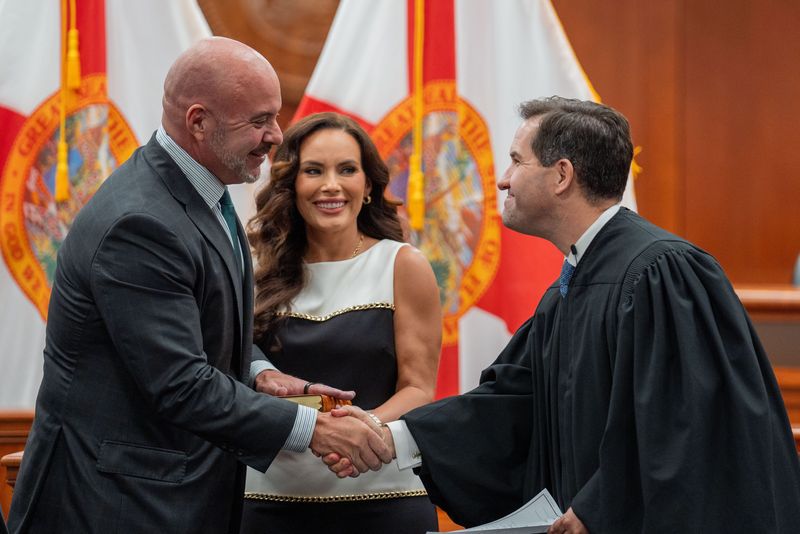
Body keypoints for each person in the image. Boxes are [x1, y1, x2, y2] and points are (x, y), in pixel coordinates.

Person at [326, 97, 800, 533]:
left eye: (516, 160)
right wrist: (395, 439)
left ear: (562, 175)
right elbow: (512, 402)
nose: (502, 179)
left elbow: (685, 426)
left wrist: (598, 507)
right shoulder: (574, 283)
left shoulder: (659, 273)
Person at [7, 37, 390, 534]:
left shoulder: (204, 190)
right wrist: (311, 429)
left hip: (170, 495)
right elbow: (180, 384)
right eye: (258, 121)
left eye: (273, 116)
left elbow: (206, 329)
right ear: (198, 123)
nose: (276, 135)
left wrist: (260, 374)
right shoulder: (141, 223)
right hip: (115, 505)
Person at [240, 112, 442, 534]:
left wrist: (357, 435)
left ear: (367, 186)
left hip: (385, 497)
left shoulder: (402, 264)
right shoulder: (254, 269)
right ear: (292, 184)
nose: (330, 185)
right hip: (269, 501)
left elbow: (419, 388)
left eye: (346, 170)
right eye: (314, 170)